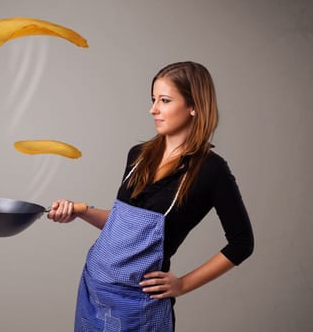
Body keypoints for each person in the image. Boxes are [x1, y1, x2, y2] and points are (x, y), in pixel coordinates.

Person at [48, 61, 254, 332]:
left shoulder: (211, 170)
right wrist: (81, 210)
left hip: (138, 303)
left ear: (194, 106)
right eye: (153, 99)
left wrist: (182, 285)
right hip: (94, 287)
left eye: (165, 100)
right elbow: (124, 225)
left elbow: (242, 243)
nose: (153, 109)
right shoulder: (138, 155)